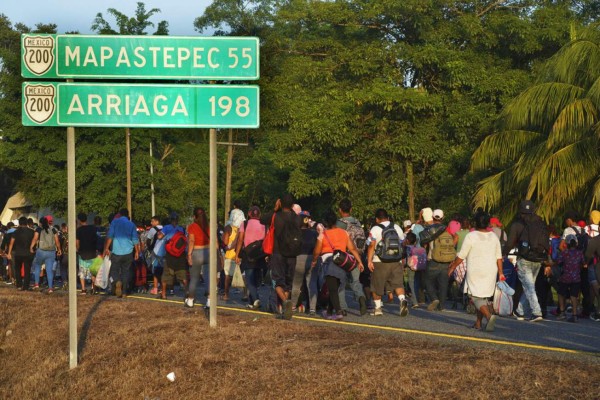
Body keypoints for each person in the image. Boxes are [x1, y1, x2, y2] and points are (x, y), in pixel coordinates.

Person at [448, 211, 504, 331]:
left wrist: (452, 267)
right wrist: (501, 273)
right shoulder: (493, 237)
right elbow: (499, 257)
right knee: (482, 297)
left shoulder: (471, 236)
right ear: (488, 223)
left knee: (474, 296)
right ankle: (478, 323)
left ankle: (489, 317)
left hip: (475, 269)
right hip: (491, 270)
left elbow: (461, 255)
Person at [312, 211, 364, 320]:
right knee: (334, 287)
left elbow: (317, 251)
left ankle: (339, 311)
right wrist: (359, 261)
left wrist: (314, 261)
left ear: (325, 222)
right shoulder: (344, 232)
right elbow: (352, 248)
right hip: (341, 262)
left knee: (332, 289)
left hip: (329, 262)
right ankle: (329, 312)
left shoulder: (323, 234)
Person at [260, 194, 303, 320]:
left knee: (278, 282)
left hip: (278, 253)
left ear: (280, 203)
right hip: (292, 254)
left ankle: (285, 302)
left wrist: (275, 209)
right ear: (292, 205)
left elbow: (262, 219)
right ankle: (286, 309)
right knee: (288, 283)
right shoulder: (297, 218)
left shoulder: (275, 216)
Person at [504, 200, 547, 322]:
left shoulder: (517, 224)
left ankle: (536, 312)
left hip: (524, 259)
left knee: (529, 288)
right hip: (538, 258)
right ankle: (520, 311)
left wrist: (503, 253)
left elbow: (510, 243)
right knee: (529, 286)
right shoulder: (540, 222)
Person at [366, 208, 408, 317]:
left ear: (377, 219)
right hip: (396, 260)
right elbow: (402, 243)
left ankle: (378, 308)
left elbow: (371, 245)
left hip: (380, 261)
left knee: (376, 285)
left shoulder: (375, 228)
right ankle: (402, 299)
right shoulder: (397, 227)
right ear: (388, 217)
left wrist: (369, 261)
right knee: (398, 283)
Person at [336, 198, 368, 316]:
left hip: (344, 256)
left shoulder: (340, 223)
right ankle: (361, 297)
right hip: (357, 256)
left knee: (341, 282)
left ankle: (343, 308)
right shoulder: (357, 222)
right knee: (355, 281)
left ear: (340, 210)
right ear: (351, 209)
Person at [235, 206, 267, 309]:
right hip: (260, 255)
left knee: (249, 280)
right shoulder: (264, 225)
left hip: (248, 255)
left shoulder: (244, 224)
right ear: (259, 215)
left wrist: (237, 255)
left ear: (249, 214)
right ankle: (251, 302)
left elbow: (240, 240)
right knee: (256, 279)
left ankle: (256, 299)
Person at [103, 208, 140, 298]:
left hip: (116, 252)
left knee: (113, 271)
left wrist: (106, 248)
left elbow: (110, 236)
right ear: (127, 215)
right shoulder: (131, 224)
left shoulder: (115, 223)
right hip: (128, 252)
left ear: (119, 214)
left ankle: (116, 281)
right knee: (126, 272)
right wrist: (137, 252)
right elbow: (135, 239)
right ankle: (124, 292)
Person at [425, 209, 456, 312]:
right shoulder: (447, 229)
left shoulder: (429, 229)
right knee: (443, 284)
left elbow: (424, 243)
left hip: (432, 259)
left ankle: (434, 298)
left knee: (428, 281)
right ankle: (441, 306)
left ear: (433, 217)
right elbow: (456, 237)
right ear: (443, 218)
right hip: (446, 260)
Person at [555, 235, 586, 322]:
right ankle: (574, 315)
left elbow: (559, 262)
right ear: (576, 243)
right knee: (574, 296)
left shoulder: (564, 253)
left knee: (561, 293)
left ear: (567, 244)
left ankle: (562, 312)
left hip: (565, 277)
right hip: (576, 278)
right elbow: (584, 263)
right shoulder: (580, 253)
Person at [159, 212, 187, 300]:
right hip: (180, 255)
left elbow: (160, 237)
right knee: (183, 276)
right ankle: (187, 294)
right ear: (178, 220)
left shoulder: (166, 228)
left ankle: (163, 294)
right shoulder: (182, 229)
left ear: (170, 220)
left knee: (166, 274)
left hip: (170, 255)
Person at [186, 208, 210, 308]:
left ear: (194, 216)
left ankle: (190, 300)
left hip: (196, 252)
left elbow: (191, 241)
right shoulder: (209, 226)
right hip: (208, 252)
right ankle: (209, 300)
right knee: (208, 278)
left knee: (194, 278)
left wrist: (189, 254)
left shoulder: (192, 227)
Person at [30, 216, 61, 291]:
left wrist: (31, 247)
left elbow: (35, 238)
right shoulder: (53, 229)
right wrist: (59, 249)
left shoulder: (39, 229)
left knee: (38, 266)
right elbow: (57, 241)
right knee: (49, 270)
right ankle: (50, 288)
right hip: (51, 252)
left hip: (41, 251)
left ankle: (37, 284)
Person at [221, 208, 246, 301]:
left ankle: (226, 294)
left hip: (230, 255)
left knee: (228, 276)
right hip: (241, 255)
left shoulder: (228, 228)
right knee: (243, 275)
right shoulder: (243, 228)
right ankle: (245, 294)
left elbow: (225, 242)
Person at [6, 217, 35, 290]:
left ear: (19, 223)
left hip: (18, 253)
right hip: (28, 253)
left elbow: (11, 243)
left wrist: (9, 253)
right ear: (26, 223)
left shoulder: (16, 232)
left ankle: (19, 285)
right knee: (27, 270)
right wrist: (32, 249)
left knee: (17, 269)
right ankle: (26, 286)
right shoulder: (31, 231)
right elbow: (34, 242)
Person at [76, 213, 98, 294]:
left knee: (82, 272)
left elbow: (77, 243)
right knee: (93, 272)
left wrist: (78, 250)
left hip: (83, 253)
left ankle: (83, 289)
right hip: (92, 252)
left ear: (79, 220)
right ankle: (94, 288)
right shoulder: (93, 228)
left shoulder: (79, 230)